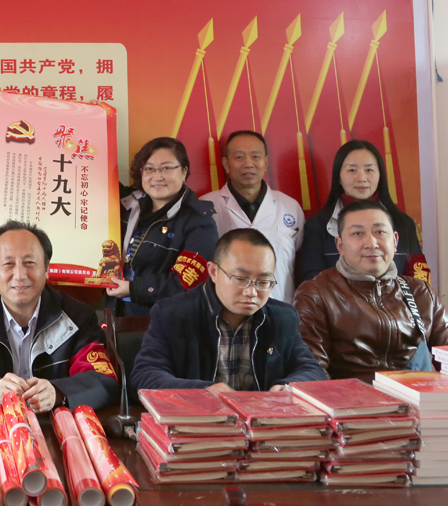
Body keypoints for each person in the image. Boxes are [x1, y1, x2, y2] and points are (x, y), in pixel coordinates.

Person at [0, 221, 119, 413]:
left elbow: (103, 380)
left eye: (29, 263)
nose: (19, 275)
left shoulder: (78, 318)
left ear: (46, 269)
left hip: (56, 426)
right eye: (8, 264)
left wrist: (59, 392)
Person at [130, 229, 326, 393]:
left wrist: (288, 387)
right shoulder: (172, 314)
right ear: (213, 272)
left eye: (263, 281)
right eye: (240, 279)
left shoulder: (283, 317)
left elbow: (312, 370)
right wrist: (204, 391)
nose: (251, 292)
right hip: (201, 420)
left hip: (262, 421)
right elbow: (145, 375)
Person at [294, 200, 448, 382]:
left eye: (380, 232)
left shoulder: (419, 291)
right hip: (352, 398)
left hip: (416, 394)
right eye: (357, 233)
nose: (371, 243)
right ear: (340, 246)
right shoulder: (316, 293)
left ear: (395, 241)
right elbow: (312, 371)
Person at [106, 137, 218, 316]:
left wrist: (134, 289)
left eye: (166, 168)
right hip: (113, 315)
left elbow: (187, 282)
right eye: (149, 169)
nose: (157, 177)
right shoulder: (124, 203)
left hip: (164, 321)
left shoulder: (199, 222)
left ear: (184, 171)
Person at [296, 140, 424, 286]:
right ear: (338, 177)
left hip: (396, 301)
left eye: (369, 170)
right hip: (338, 301)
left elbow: (419, 277)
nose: (361, 178)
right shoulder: (317, 226)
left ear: (380, 175)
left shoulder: (403, 223)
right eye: (352, 170)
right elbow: (311, 281)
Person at [202, 130, 303, 302]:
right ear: (226, 164)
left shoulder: (290, 206)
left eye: (256, 157)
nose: (248, 164)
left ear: (266, 162)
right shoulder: (206, 206)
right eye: (239, 157)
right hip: (225, 307)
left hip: (280, 305)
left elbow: (299, 258)